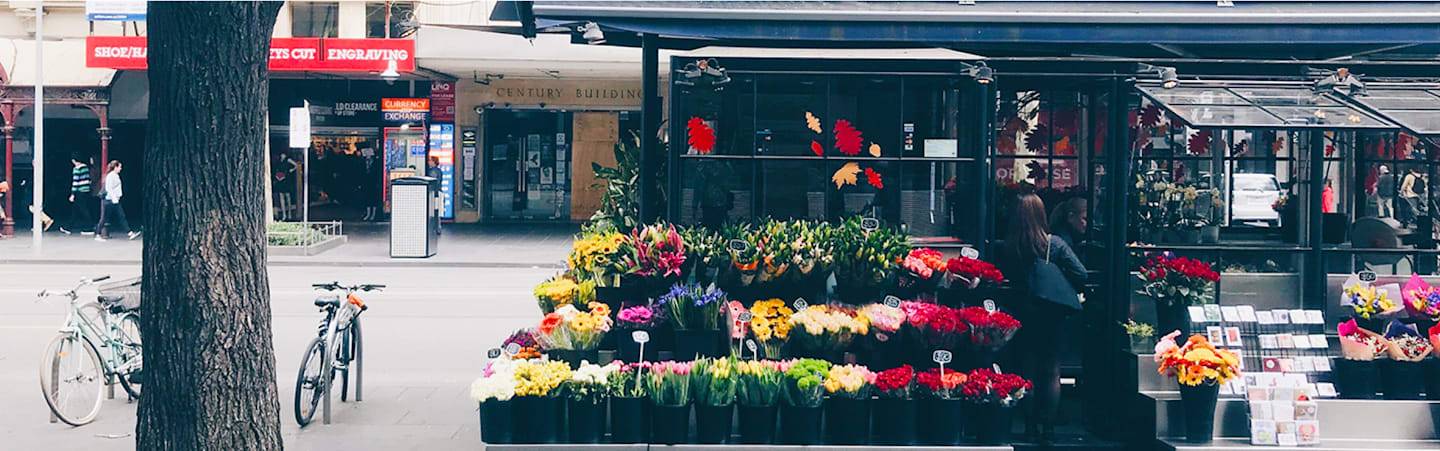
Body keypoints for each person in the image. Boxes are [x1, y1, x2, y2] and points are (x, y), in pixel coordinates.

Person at [998, 194, 1087, 444]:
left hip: (1021, 313)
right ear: (1042, 215)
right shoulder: (1054, 244)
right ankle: (1048, 429)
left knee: (1025, 370)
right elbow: (1080, 273)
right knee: (1050, 371)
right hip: (1051, 313)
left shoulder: (1008, 246)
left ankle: (1028, 426)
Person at [95, 160, 139, 241]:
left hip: (115, 199)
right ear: (115, 167)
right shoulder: (111, 176)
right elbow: (109, 188)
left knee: (121, 216)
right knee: (104, 218)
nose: (120, 168)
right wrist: (114, 198)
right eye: (119, 167)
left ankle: (129, 233)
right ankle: (97, 234)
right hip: (109, 200)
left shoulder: (115, 175)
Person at [60, 155, 95, 235]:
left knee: (83, 210)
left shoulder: (76, 169)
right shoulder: (85, 167)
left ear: (73, 160)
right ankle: (68, 227)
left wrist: (72, 194)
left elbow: (75, 182)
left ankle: (89, 227)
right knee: (76, 209)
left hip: (80, 191)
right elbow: (89, 179)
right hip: (86, 190)